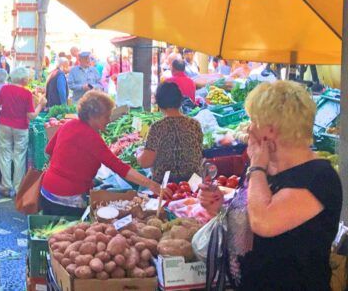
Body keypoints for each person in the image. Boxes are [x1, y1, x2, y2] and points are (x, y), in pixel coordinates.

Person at [199, 81, 342, 290]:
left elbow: (264, 222)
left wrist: (257, 167)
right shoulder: (265, 168)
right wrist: (220, 209)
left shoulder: (318, 177)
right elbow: (249, 224)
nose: (249, 128)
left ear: (271, 130)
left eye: (254, 120)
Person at [41, 91, 162, 216]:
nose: (109, 120)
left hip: (46, 191)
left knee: (49, 232)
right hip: (68, 199)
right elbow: (120, 168)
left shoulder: (68, 125)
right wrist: (151, 184)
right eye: (106, 116)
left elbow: (49, 150)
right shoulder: (91, 137)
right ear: (93, 116)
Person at [0, 67, 46, 197]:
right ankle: (17, 188)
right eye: (27, 78)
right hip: (21, 127)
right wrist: (41, 105)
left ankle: (6, 186)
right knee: (19, 156)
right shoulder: (26, 93)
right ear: (23, 79)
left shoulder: (4, 89)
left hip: (4, 125)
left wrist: (5, 112)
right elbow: (31, 115)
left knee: (5, 154)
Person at [136, 82, 203, 183]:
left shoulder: (157, 127)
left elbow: (145, 162)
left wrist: (138, 152)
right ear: (180, 100)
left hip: (166, 188)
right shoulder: (195, 124)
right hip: (193, 184)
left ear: (159, 103)